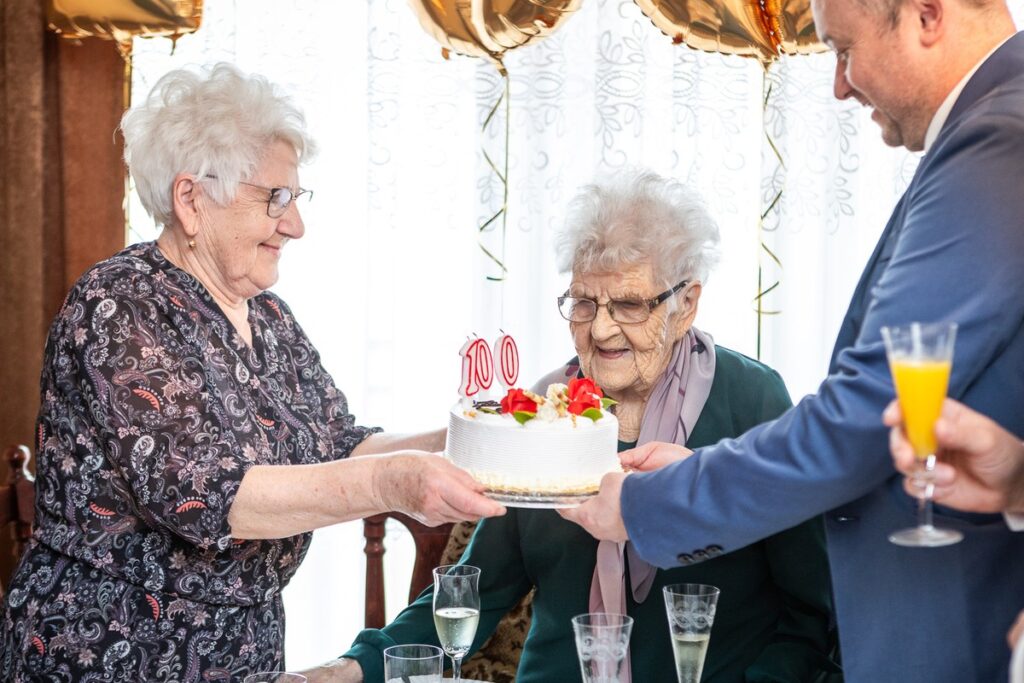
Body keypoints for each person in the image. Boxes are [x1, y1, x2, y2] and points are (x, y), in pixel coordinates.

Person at [560, 1, 1024, 681]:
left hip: (959, 631)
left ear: (926, 15)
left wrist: (647, 504)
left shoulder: (998, 139)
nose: (840, 84)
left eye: (843, 51)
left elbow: (866, 414)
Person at [0, 63, 504, 680]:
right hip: (113, 651)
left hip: (242, 656)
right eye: (275, 198)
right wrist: (394, 483)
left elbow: (344, 446)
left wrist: (480, 438)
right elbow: (210, 497)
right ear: (192, 199)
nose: (295, 224)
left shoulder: (265, 315)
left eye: (294, 198)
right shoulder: (118, 306)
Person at [304, 171, 839, 682]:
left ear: (686, 304)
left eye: (629, 304)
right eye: (584, 302)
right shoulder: (539, 414)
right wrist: (354, 667)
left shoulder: (752, 401)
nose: (600, 328)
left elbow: (809, 608)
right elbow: (481, 588)